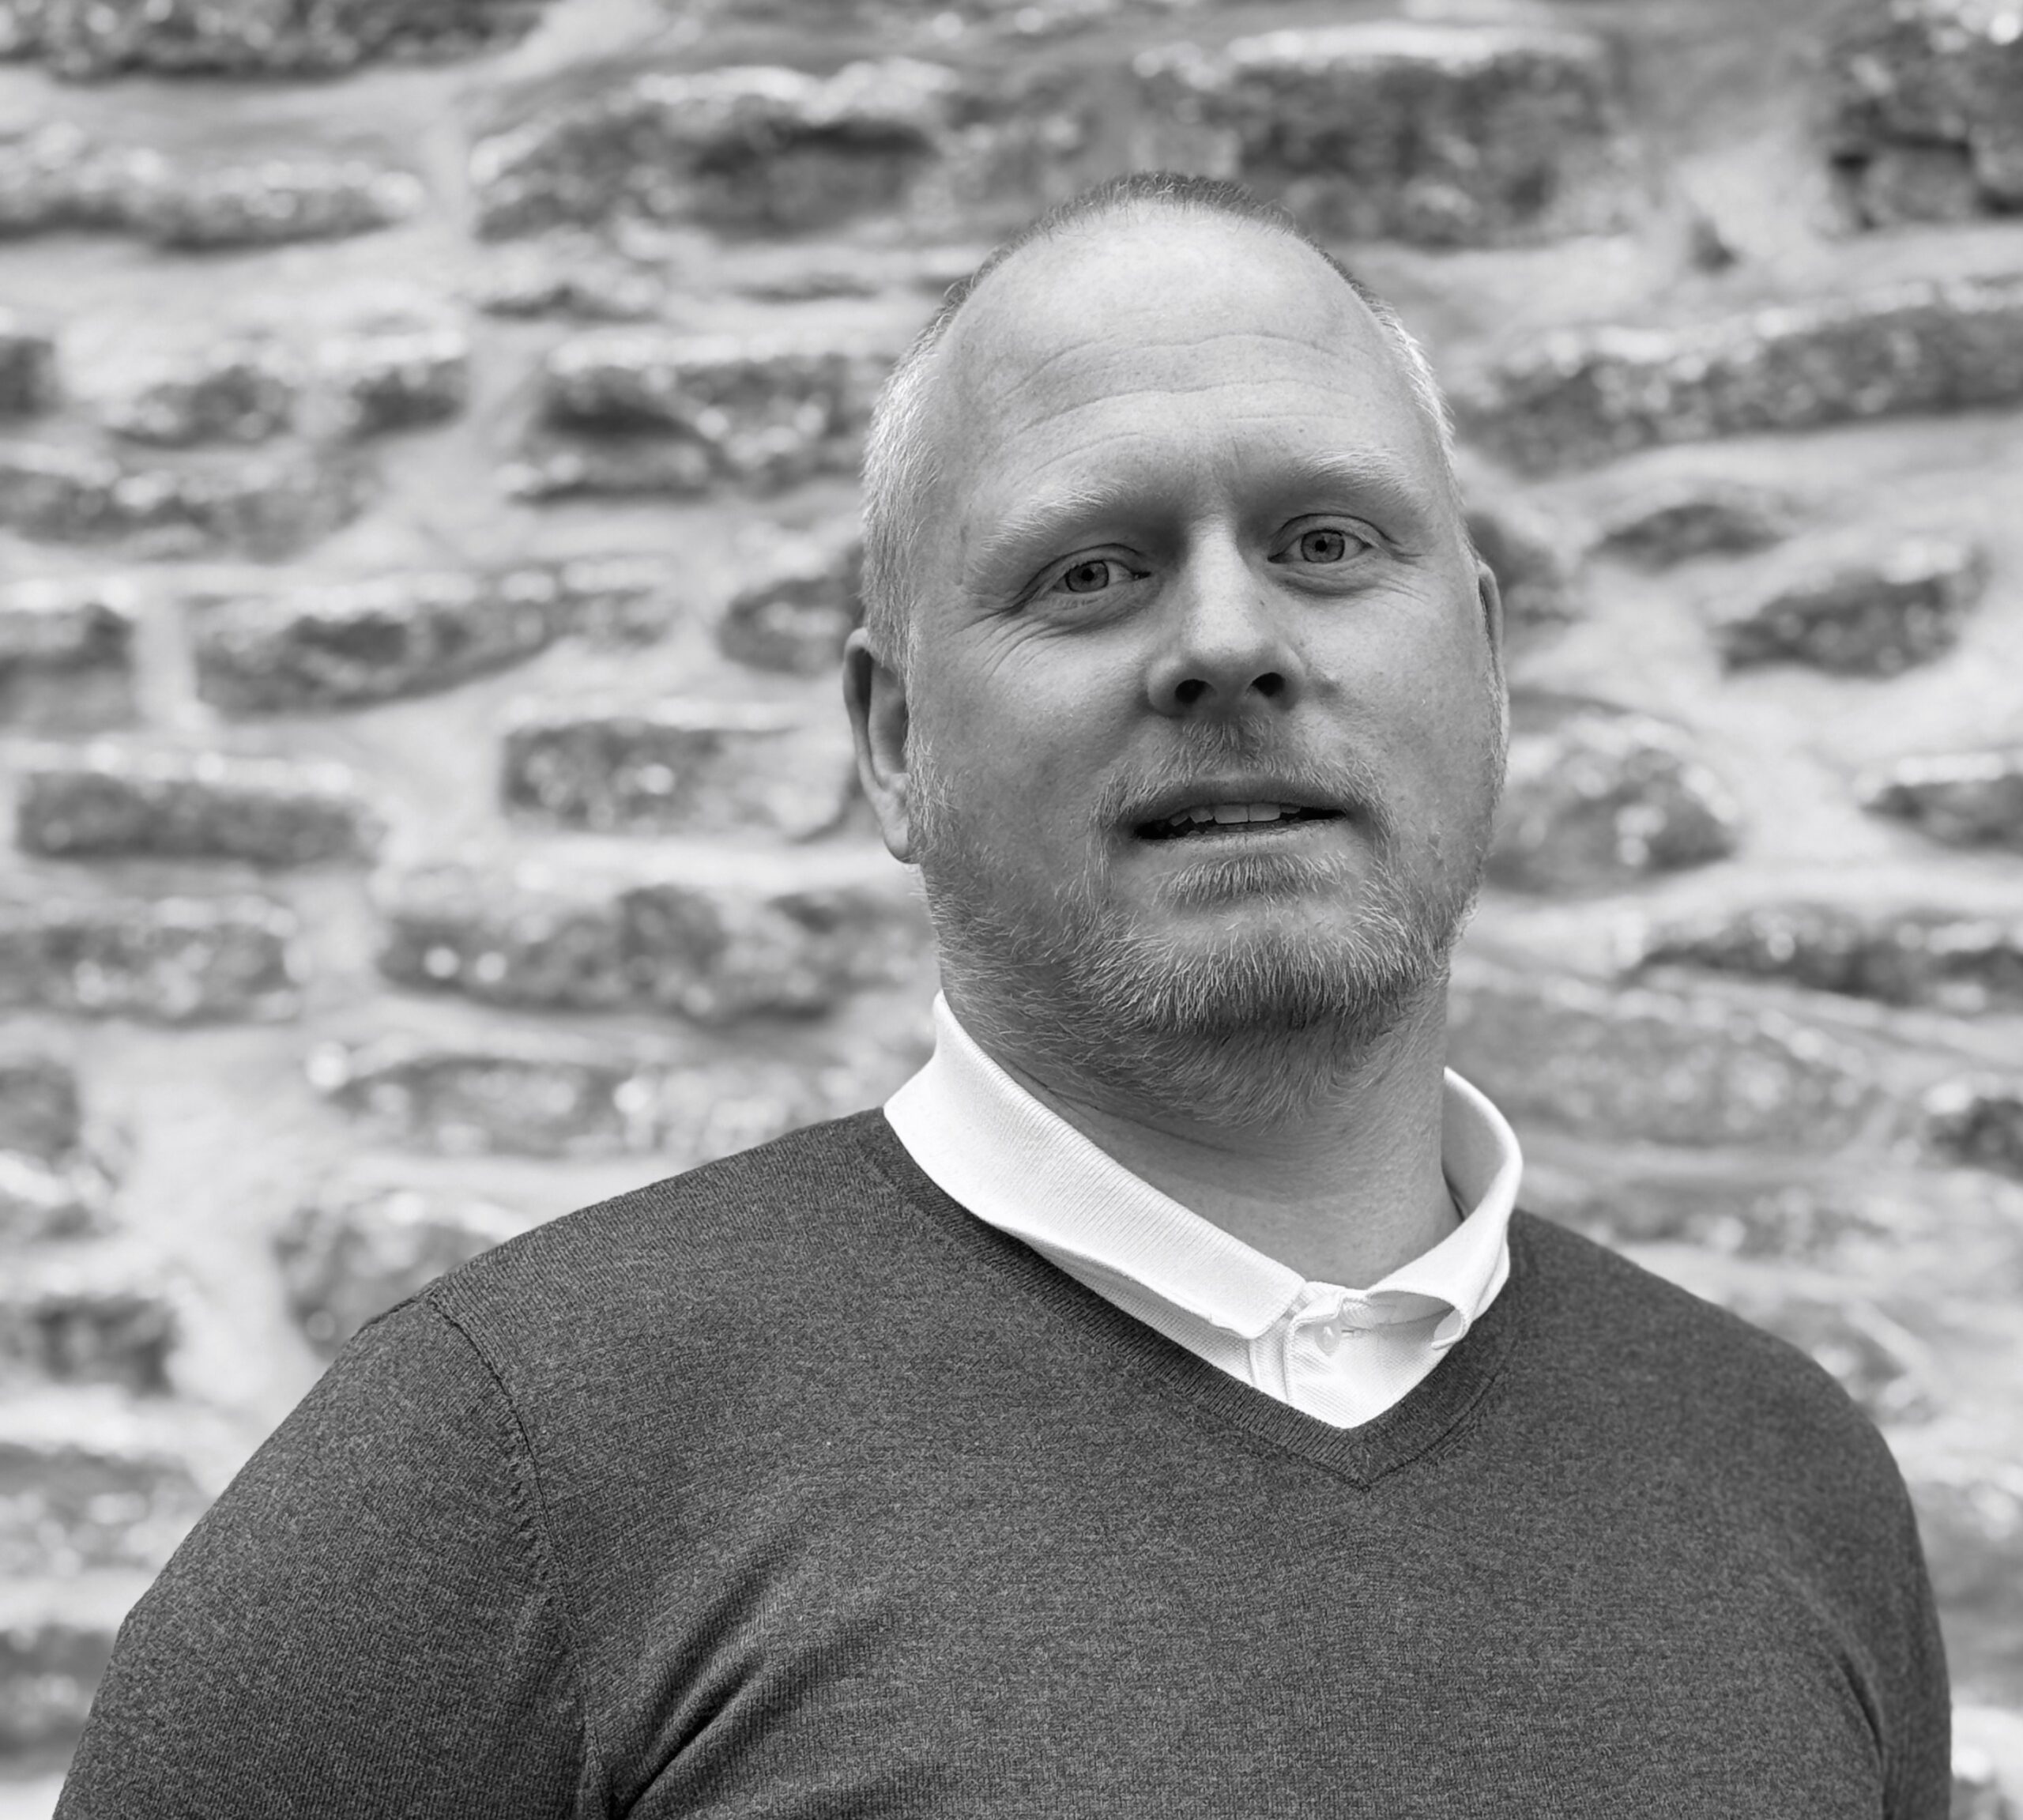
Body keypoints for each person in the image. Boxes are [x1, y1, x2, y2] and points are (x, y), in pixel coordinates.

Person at [57, 172, 1948, 1818]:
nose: (1227, 644)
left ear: (1484, 664)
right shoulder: (510, 1463)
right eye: (1090, 572)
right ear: (892, 740)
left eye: (1323, 544)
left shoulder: (1785, 1478)